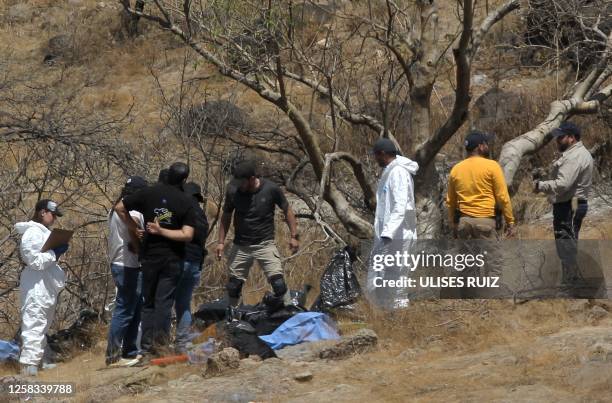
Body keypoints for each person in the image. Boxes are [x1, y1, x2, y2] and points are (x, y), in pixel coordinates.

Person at [114, 162, 196, 356]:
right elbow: (187, 235)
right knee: (164, 304)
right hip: (173, 258)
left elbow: (119, 208)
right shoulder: (186, 201)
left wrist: (134, 227)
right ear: (184, 180)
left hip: (149, 257)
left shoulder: (148, 193)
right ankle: (160, 348)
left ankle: (147, 348)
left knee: (148, 303)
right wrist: (163, 231)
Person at [216, 159, 299, 308]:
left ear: (252, 179)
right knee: (234, 286)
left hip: (264, 243)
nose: (239, 185)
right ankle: (232, 316)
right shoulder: (233, 190)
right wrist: (221, 242)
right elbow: (226, 216)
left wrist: (293, 236)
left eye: (242, 182)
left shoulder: (271, 189)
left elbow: (287, 210)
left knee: (278, 283)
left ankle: (289, 312)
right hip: (241, 245)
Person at [446, 131, 515, 298]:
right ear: (480, 146)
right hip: (485, 222)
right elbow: (502, 197)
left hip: (464, 222)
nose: (488, 146)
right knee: (493, 263)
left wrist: (454, 225)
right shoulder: (492, 166)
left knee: (468, 265)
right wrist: (510, 221)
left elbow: (450, 202)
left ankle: (469, 302)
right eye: (486, 143)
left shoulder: (456, 169)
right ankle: (493, 301)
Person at [534, 122, 593, 292]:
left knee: (566, 242)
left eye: (561, 137)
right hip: (573, 203)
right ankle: (571, 281)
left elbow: (563, 184)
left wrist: (540, 186)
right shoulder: (576, 153)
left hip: (570, 205)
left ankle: (572, 285)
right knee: (568, 242)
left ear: (572, 138)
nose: (557, 140)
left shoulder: (574, 156)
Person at [15, 199, 69, 376]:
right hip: (36, 286)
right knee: (34, 324)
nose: (54, 218)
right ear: (42, 212)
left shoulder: (44, 232)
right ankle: (28, 366)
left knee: (43, 325)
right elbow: (35, 261)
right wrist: (55, 253)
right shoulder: (32, 233)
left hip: (46, 286)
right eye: (52, 214)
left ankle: (40, 361)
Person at [368, 138, 419, 309]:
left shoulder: (398, 172)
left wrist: (388, 232)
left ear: (382, 154)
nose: (375, 160)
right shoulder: (391, 171)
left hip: (398, 233)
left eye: (376, 156)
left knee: (398, 274)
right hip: (392, 233)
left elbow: (400, 205)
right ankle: (390, 310)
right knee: (389, 273)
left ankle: (399, 312)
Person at [105, 176, 148, 367]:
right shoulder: (134, 213)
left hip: (119, 262)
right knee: (125, 309)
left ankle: (129, 352)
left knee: (134, 308)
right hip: (128, 264)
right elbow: (135, 244)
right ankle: (113, 355)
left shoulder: (114, 211)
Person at [174, 182, 209, 353]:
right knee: (184, 304)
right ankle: (182, 344)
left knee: (164, 301)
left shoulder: (183, 210)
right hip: (195, 263)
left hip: (179, 261)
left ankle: (158, 343)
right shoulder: (202, 215)